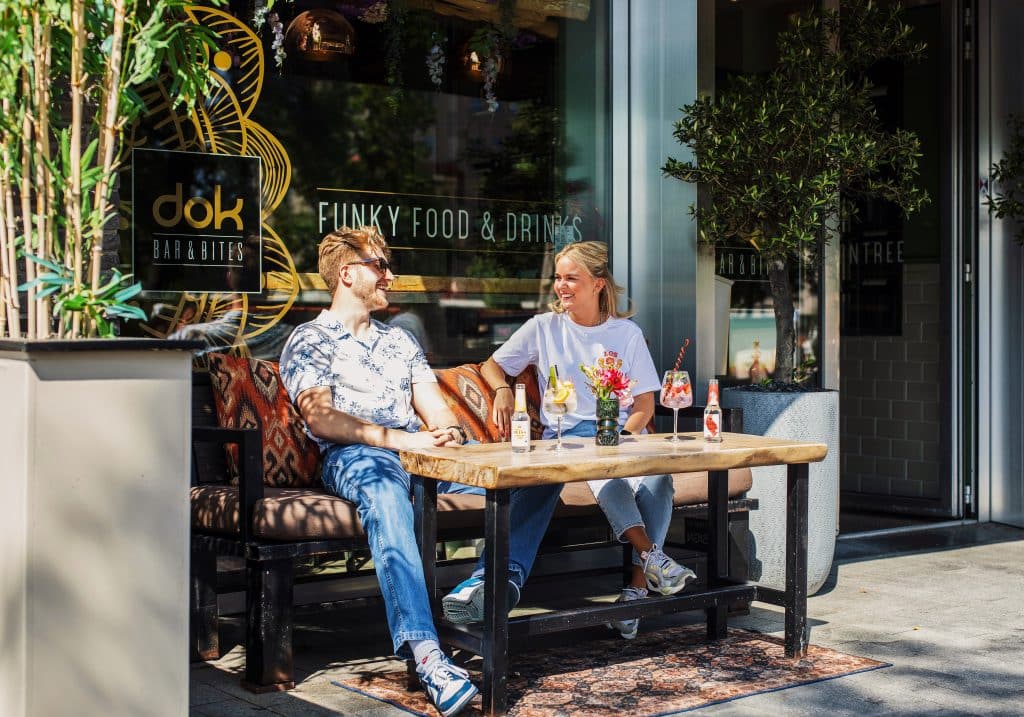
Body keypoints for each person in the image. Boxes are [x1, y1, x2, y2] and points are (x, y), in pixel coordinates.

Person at [279, 226, 562, 717]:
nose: (390, 274)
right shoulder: (309, 339)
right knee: (386, 495)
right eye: (380, 265)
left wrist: (447, 434)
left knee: (539, 468)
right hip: (358, 455)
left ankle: (491, 583)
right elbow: (321, 418)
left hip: (420, 455)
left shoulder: (400, 341)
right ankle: (428, 654)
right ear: (347, 273)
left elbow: (438, 412)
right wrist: (401, 440)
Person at [478, 240, 697, 640]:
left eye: (571, 279)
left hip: (624, 431)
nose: (561, 287)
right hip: (570, 433)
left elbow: (645, 407)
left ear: (597, 284)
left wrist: (619, 437)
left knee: (659, 479)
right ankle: (654, 561)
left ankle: (634, 590)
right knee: (609, 475)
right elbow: (491, 366)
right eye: (558, 278)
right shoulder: (543, 328)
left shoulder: (626, 333)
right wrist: (501, 390)